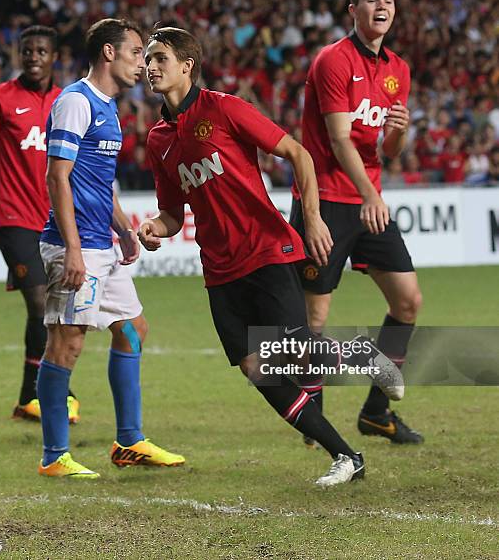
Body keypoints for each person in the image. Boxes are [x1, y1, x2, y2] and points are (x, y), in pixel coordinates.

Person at [139, 26, 404, 487]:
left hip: (266, 249)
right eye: (147, 59)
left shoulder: (224, 108)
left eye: (160, 57)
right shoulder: (158, 139)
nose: (151, 67)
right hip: (219, 269)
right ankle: (346, 456)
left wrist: (314, 217)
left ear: (187, 65)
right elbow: (171, 214)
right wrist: (152, 229)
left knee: (296, 355)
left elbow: (297, 153)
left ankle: (363, 357)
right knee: (257, 369)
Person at [37, 18, 185, 478]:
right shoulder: (75, 102)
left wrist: (124, 228)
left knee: (134, 329)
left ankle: (129, 441)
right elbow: (56, 177)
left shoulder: (109, 109)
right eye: (137, 52)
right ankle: (54, 456)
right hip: (73, 245)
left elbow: (101, 185)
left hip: (103, 243)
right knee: (67, 342)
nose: (143, 63)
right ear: (108, 53)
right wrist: (74, 250)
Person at [289, 0, 424, 445]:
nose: (381, 7)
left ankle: (376, 412)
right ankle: (314, 418)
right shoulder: (332, 60)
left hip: (368, 199)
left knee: (407, 301)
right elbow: (339, 138)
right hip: (324, 200)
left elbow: (387, 148)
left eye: (388, 1)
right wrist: (371, 195)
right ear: (353, 9)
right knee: (316, 318)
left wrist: (400, 132)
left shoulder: (397, 70)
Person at [0, 25, 80, 424]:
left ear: (54, 57)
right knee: (39, 303)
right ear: (19, 55)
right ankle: (46, 393)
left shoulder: (67, 101)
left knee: (57, 307)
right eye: (27, 50)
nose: (33, 57)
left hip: (52, 219)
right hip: (12, 217)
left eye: (41, 51)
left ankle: (31, 397)